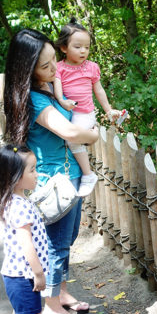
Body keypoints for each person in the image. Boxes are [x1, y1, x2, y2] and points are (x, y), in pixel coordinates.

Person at [4, 29, 99, 314]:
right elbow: (71, 132)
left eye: (53, 62)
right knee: (56, 245)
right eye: (44, 66)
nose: (53, 69)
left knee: (66, 241)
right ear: (26, 69)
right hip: (52, 183)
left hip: (69, 177)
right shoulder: (33, 98)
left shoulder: (47, 87)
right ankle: (51, 307)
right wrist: (93, 134)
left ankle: (63, 294)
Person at [54, 17, 122, 197]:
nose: (83, 51)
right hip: (66, 111)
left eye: (87, 47)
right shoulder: (59, 68)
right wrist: (62, 101)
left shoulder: (92, 67)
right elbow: (58, 90)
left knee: (71, 138)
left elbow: (98, 90)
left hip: (84, 114)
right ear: (63, 48)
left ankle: (88, 174)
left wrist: (108, 110)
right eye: (78, 47)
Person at [0, 144, 48, 314]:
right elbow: (27, 244)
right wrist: (38, 273)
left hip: (16, 274)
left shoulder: (15, 200)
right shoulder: (20, 206)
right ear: (14, 177)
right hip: (23, 275)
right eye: (32, 170)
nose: (37, 174)